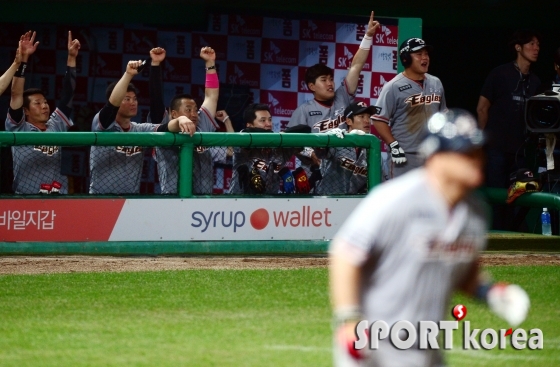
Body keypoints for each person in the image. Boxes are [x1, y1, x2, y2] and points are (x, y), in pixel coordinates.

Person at [329, 109, 530, 367]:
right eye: (464, 152)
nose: (476, 159)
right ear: (436, 157)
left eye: (477, 150)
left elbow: (461, 269)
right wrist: (349, 320)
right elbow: (346, 255)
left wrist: (490, 292)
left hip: (427, 349)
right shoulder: (395, 199)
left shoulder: (476, 212)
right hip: (372, 350)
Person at [89, 48, 194, 194]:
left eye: (135, 99)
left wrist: (180, 119)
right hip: (100, 200)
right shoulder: (102, 125)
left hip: (130, 203)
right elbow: (112, 106)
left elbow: (165, 127)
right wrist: (128, 75)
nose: (133, 103)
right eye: (127, 99)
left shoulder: (139, 130)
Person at [476, 29, 541, 230]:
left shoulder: (536, 82)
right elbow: (482, 108)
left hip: (520, 153)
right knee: (495, 196)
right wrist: (480, 144)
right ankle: (495, 240)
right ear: (518, 47)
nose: (536, 48)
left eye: (538, 45)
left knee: (519, 199)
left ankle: (514, 239)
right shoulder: (500, 73)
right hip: (495, 148)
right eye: (531, 44)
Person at [5, 31, 79, 194]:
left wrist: (71, 58)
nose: (44, 106)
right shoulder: (19, 127)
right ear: (26, 111)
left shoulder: (56, 124)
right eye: (37, 103)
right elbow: (16, 94)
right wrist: (23, 60)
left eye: (45, 102)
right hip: (26, 198)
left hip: (58, 197)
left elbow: (68, 95)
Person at [152, 46, 233, 195]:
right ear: (174, 114)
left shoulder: (202, 122)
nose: (194, 114)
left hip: (202, 200)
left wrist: (210, 63)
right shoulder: (164, 124)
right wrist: (155, 66)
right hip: (172, 199)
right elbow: (156, 101)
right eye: (188, 109)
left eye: (195, 109)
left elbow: (211, 96)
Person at [372, 37, 447, 179]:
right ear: (406, 58)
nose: (425, 58)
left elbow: (443, 114)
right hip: (405, 155)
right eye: (419, 54)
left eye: (426, 54)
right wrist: (393, 145)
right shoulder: (393, 86)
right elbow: (378, 119)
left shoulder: (436, 82)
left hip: (431, 153)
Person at [315, 101, 379, 195]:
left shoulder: (372, 149)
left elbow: (379, 182)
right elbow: (319, 151)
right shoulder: (338, 140)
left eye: (369, 117)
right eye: (361, 116)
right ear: (348, 121)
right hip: (326, 201)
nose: (367, 121)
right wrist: (328, 139)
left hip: (353, 203)